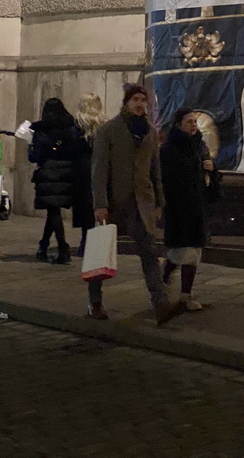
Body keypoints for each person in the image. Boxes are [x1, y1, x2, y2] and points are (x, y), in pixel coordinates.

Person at [88, 84, 182, 325]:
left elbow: (155, 170)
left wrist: (159, 200)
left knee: (149, 253)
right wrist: (100, 203)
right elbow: (99, 170)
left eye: (143, 100)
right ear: (127, 102)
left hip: (142, 203)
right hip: (114, 202)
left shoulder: (149, 131)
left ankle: (160, 303)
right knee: (101, 253)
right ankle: (95, 302)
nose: (140, 104)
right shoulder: (109, 130)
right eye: (136, 99)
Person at [159, 108, 217, 311]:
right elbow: (168, 177)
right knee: (179, 252)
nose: (193, 125)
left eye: (194, 121)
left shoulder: (199, 144)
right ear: (178, 124)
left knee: (193, 252)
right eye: (189, 121)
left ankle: (185, 295)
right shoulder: (170, 148)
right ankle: (163, 279)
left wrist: (211, 168)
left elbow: (208, 173)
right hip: (179, 207)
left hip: (197, 206)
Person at [28, 98, 79, 265]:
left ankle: (63, 248)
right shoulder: (70, 128)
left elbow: (34, 156)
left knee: (54, 211)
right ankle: (43, 246)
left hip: (48, 173)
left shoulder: (41, 130)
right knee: (53, 211)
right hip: (66, 173)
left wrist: (32, 147)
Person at [72, 93, 107, 258]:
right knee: (98, 204)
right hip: (99, 167)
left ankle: (86, 241)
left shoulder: (77, 125)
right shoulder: (104, 125)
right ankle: (97, 241)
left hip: (81, 169)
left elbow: (71, 146)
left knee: (85, 208)